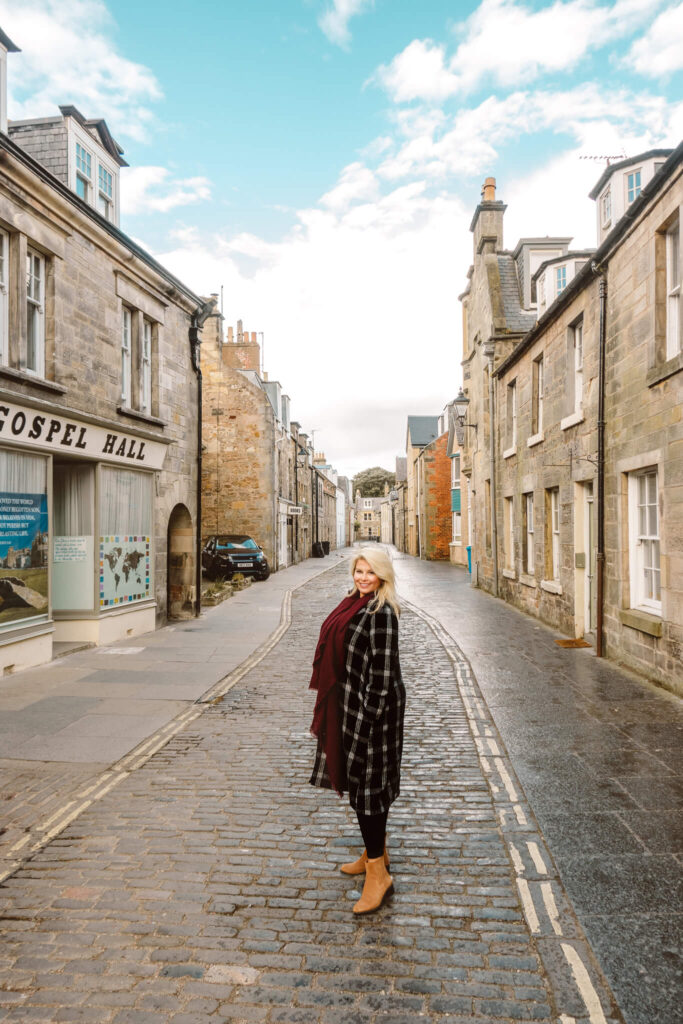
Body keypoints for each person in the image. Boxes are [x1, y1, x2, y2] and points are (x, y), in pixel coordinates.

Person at [309, 547, 405, 915]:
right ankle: (373, 852)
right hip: (351, 706)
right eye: (358, 571)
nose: (363, 577)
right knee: (366, 788)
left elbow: (380, 682)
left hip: (373, 713)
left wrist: (363, 732)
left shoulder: (381, 614)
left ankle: (378, 874)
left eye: (370, 572)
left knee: (368, 791)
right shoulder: (354, 603)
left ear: (383, 575)